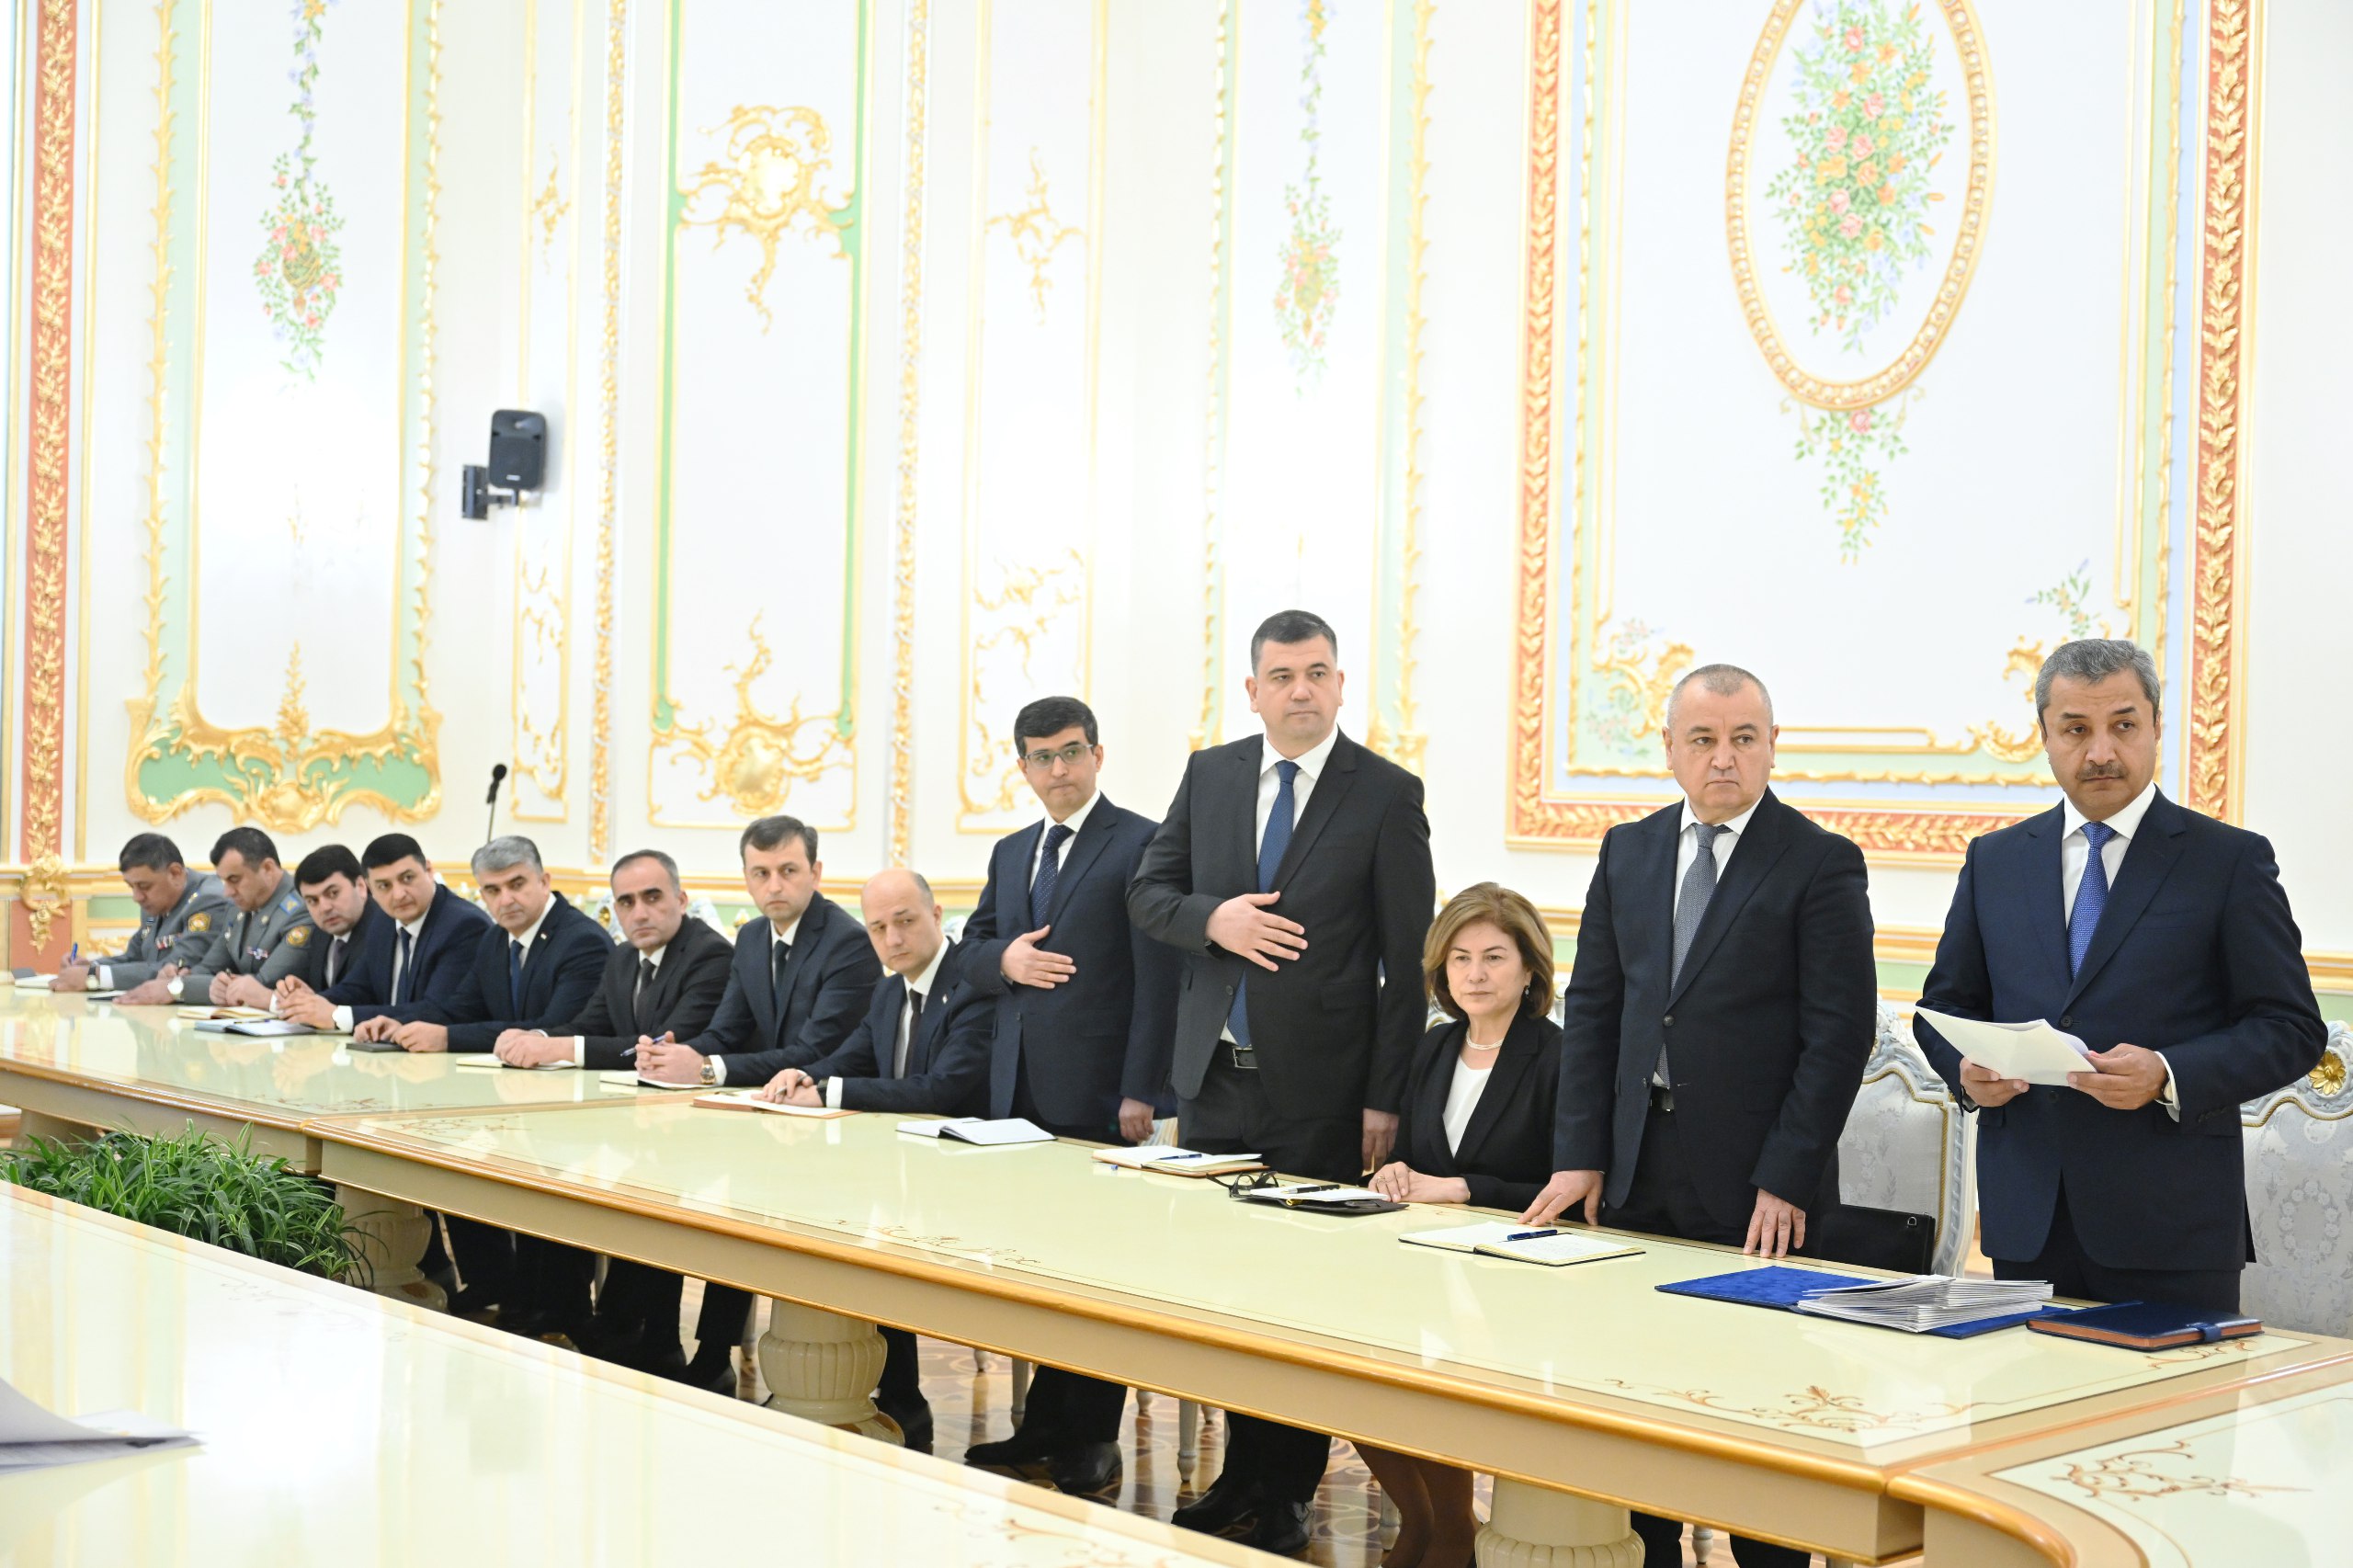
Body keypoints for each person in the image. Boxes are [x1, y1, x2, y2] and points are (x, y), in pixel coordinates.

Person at [1521, 663, 1875, 1568]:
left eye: (1744, 738)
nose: (1724, 758)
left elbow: (1838, 1037)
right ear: (1672, 749)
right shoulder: (1628, 850)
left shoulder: (1818, 860)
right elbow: (1593, 1011)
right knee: (1642, 1403)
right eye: (1705, 740)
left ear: (1772, 746)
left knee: (1758, 1416)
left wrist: (1786, 1176)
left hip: (1758, 1187)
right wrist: (1580, 1152)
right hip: (1635, 1169)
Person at [1130, 608, 1436, 1556]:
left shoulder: (1386, 793)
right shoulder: (1210, 775)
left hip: (1323, 1092)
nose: (1301, 690)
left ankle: (1286, 1489)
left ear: (1339, 684)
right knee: (1226, 1287)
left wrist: (1384, 1096)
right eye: (1282, 675)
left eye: (1317, 673)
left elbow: (1405, 963)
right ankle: (1240, 1476)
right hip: (1214, 1083)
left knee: (1301, 1294)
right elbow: (1147, 893)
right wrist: (1212, 919)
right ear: (1253, 690)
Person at [1915, 639, 2325, 1315]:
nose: (2100, 751)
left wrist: (2167, 1072)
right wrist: (1966, 1069)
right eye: (2076, 729)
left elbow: (2291, 1028)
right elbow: (1944, 1007)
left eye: (2124, 725)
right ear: (2044, 736)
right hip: (2026, 1224)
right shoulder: (1994, 861)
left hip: (2173, 1229)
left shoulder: (2229, 862)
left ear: (2157, 726)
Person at [956, 696, 1180, 1498]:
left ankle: (1092, 1439)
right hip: (1015, 1093)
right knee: (1041, 1269)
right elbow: (971, 949)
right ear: (1023, 767)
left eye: (1072, 751)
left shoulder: (1141, 841)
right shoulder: (1012, 850)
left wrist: (1141, 1088)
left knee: (1096, 1273)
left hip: (1100, 1097)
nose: (1059, 769)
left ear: (1097, 755)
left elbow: (1158, 978)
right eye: (1042, 757)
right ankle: (1045, 1427)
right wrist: (1005, 963)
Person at [631, 814, 883, 1390]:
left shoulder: (847, 942)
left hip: (830, 1126)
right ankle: (701, 1352)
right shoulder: (749, 937)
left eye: (788, 871)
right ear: (745, 878)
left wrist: (708, 1068)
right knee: (697, 1202)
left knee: (745, 1209)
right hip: (763, 1117)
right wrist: (676, 1053)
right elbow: (726, 1031)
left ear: (816, 872)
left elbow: (815, 1051)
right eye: (761, 873)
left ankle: (779, 1368)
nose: (775, 885)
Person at [1363, 882, 1563, 1568]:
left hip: (1512, 1274)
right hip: (1421, 1258)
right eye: (1460, 959)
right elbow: (1411, 1157)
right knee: (1358, 1374)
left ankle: (1447, 1531)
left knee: (1431, 1388)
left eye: (1494, 957)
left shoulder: (1558, 1055)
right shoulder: (1434, 1046)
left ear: (1530, 968)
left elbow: (1569, 1191)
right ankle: (1432, 1523)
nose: (1475, 975)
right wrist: (1394, 1172)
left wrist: (1465, 1189)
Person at [761, 869, 995, 1454]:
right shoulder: (890, 991)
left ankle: (898, 1400)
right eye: (878, 928)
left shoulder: (972, 985)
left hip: (965, 1179)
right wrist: (804, 1076)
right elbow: (852, 1057)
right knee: (830, 1225)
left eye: (906, 921)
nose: (893, 939)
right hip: (898, 1174)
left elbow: (942, 1089)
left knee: (873, 1239)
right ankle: (873, 1394)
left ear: (937, 915)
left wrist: (829, 1091)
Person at [494, 848, 735, 1391]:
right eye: (626, 902)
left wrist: (559, 1047)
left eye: (652, 897)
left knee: (641, 1188)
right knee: (555, 1166)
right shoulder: (625, 958)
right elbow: (592, 1025)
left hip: (701, 1135)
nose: (639, 912)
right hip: (640, 1126)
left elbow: (665, 1045)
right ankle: (587, 1320)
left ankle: (635, 1333)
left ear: (682, 899)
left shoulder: (710, 955)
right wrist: (537, 1038)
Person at [357, 835, 613, 1335]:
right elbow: (460, 1007)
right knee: (451, 1151)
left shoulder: (580, 940)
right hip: (513, 1099)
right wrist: (398, 1022)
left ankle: (558, 1310)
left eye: (517, 884)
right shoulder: (497, 940)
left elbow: (553, 1029)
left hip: (572, 1108)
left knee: (534, 1186)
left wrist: (447, 1036)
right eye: (492, 891)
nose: (505, 900)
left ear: (545, 880)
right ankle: (509, 1292)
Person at [274, 835, 494, 1031]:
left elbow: (437, 1011)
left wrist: (336, 1015)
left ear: (429, 871)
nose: (398, 895)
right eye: (384, 886)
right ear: (369, 888)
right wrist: (310, 1002)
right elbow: (359, 987)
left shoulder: (464, 925)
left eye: (407, 878)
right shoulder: (384, 920)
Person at [119, 829, 315, 1007]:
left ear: (268, 869)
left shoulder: (302, 909)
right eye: (224, 881)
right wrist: (178, 978)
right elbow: (209, 967)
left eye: (234, 880)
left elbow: (262, 984)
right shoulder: (239, 908)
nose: (227, 892)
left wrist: (176, 989)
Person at [52, 835, 230, 993]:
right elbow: (134, 957)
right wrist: (90, 966)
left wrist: (95, 976)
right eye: (131, 887)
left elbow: (172, 969)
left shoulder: (208, 900)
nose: (137, 897)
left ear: (175, 873)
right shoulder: (155, 904)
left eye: (144, 886)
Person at [284, 845, 386, 993]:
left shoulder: (384, 931)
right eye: (313, 900)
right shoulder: (319, 933)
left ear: (361, 887)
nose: (324, 908)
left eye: (333, 893)